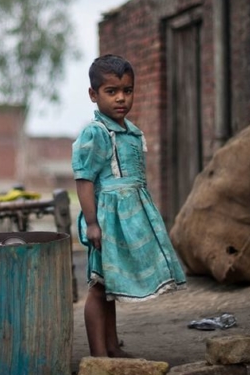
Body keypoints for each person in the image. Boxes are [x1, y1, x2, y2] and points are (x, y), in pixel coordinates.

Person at [71, 54, 187, 358]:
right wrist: (93, 223)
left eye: (128, 90)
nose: (121, 98)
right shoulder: (95, 133)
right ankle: (99, 356)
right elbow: (84, 180)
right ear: (93, 95)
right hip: (107, 221)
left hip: (128, 219)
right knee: (99, 286)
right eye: (112, 92)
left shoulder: (132, 132)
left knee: (110, 285)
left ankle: (112, 346)